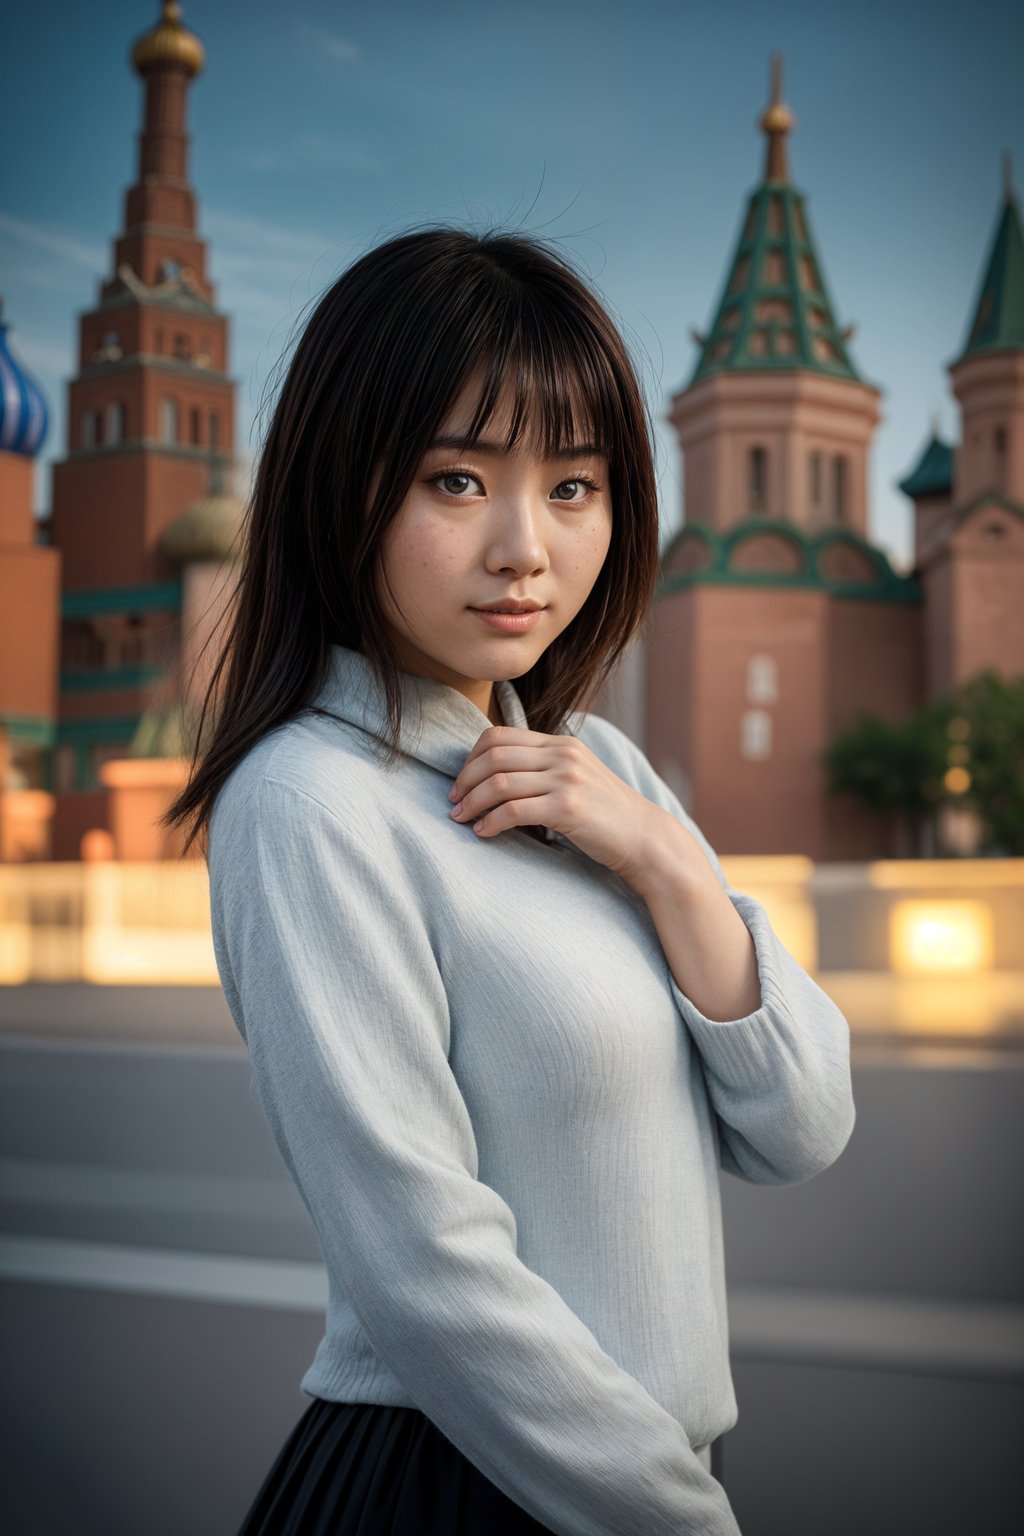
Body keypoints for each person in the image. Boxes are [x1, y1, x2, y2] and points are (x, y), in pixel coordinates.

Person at [162, 225, 856, 1535]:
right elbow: (428, 1270)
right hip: (455, 1487)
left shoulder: (598, 773)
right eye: (458, 481)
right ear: (336, 485)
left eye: (576, 487)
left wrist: (663, 859)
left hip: (635, 1487)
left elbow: (803, 1125)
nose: (525, 548)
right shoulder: (310, 800)